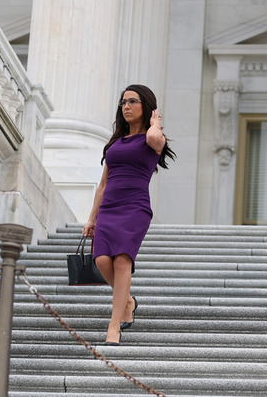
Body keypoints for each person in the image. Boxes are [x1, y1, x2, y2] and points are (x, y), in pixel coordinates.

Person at [82, 84, 176, 346]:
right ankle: (129, 301)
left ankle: (114, 327)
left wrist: (155, 122)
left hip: (134, 207)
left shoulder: (152, 140)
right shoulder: (115, 143)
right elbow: (102, 184)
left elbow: (154, 139)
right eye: (123, 102)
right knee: (101, 261)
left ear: (146, 107)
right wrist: (92, 218)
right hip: (109, 207)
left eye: (133, 101)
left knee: (122, 261)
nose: (126, 106)